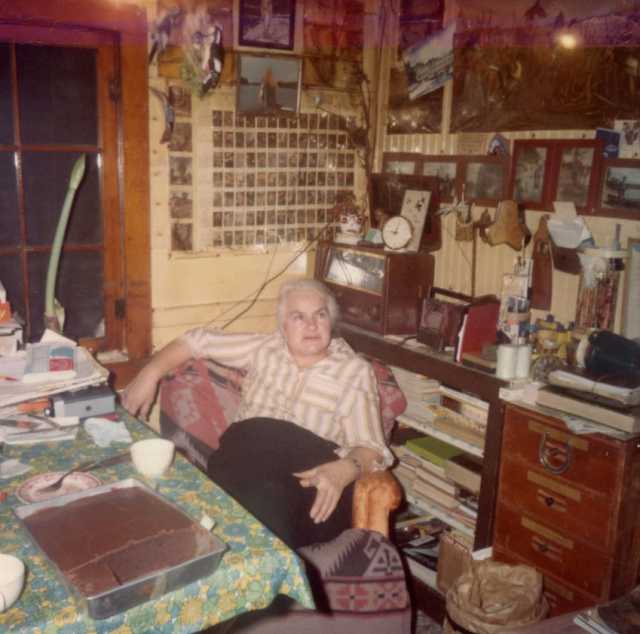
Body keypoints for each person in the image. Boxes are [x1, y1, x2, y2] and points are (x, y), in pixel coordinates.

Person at [122, 278, 392, 549]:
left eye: (320, 315)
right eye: (298, 317)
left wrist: (344, 470)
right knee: (255, 484)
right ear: (283, 326)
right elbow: (197, 340)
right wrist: (150, 373)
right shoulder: (264, 348)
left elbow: (371, 447)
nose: (311, 325)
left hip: (311, 482)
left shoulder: (353, 371)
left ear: (330, 322)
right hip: (247, 462)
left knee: (254, 501)